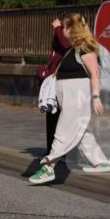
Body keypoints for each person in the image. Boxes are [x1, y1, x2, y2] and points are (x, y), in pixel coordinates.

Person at [29, 13, 110, 184]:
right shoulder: (71, 49)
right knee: (81, 131)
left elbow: (95, 73)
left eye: (65, 27)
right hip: (69, 96)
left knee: (63, 130)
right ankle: (100, 161)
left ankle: (48, 167)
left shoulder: (85, 48)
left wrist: (96, 96)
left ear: (72, 30)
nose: (62, 30)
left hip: (77, 96)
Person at [40, 18, 71, 155]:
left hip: (66, 85)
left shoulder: (71, 41)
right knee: (52, 118)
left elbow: (67, 45)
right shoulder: (58, 41)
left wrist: (58, 28)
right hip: (54, 84)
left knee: (63, 121)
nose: (61, 30)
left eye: (64, 27)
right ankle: (51, 151)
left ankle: (61, 152)